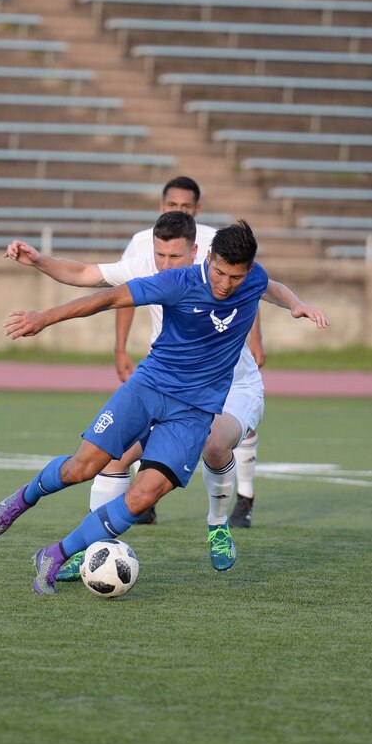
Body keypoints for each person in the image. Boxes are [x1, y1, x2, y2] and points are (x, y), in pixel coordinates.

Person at [0, 221, 328, 594]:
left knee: (144, 496)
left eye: (236, 277)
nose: (226, 284)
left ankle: (54, 554)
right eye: (220, 272)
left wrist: (296, 304)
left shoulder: (253, 279)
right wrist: (44, 318)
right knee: (82, 468)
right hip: (149, 388)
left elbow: (270, 286)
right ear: (207, 258)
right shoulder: (178, 282)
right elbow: (109, 298)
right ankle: (21, 499)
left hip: (194, 412)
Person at [113, 176, 265, 530]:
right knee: (117, 452)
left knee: (218, 442)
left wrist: (257, 339)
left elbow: (250, 289)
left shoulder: (216, 242)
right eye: (172, 205)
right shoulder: (141, 244)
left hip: (222, 372)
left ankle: (239, 502)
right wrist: (120, 348)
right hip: (166, 371)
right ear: (161, 207)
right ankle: (106, 532)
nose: (166, 261)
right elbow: (120, 292)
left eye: (185, 206)